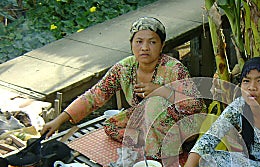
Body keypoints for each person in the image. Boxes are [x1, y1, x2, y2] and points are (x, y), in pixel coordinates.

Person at [41, 16, 205, 159]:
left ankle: (158, 154)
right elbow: (94, 95)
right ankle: (150, 145)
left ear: (161, 46)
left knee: (154, 104)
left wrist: (160, 91)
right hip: (148, 124)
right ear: (131, 44)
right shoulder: (124, 68)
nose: (145, 47)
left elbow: (196, 105)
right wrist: (59, 120)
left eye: (152, 42)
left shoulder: (174, 69)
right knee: (112, 125)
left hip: (182, 124)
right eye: (139, 42)